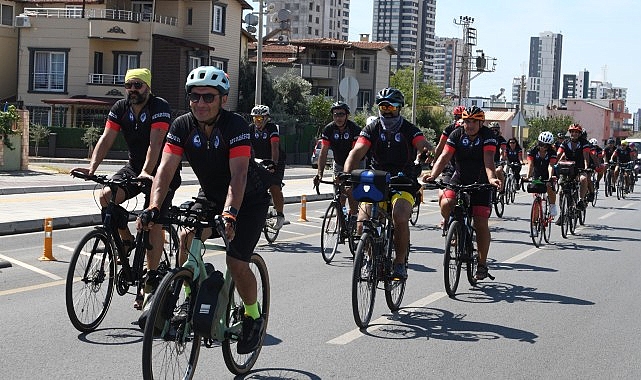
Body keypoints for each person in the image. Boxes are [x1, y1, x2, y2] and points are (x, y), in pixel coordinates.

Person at [137, 66, 269, 354]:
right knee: (186, 238)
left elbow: (239, 176)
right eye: (194, 97)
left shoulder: (235, 126)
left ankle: (253, 316)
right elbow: (165, 169)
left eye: (208, 97)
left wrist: (230, 214)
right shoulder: (182, 126)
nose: (200, 103)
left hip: (248, 201)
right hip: (210, 195)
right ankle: (189, 297)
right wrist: (154, 207)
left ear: (223, 99)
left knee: (236, 262)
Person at [72, 68, 180, 310]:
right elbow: (106, 138)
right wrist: (92, 169)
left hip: (162, 170)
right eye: (129, 85)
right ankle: (127, 239)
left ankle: (151, 279)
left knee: (152, 220)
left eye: (138, 85)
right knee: (106, 196)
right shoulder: (120, 108)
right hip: (134, 167)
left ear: (148, 88)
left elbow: (156, 143)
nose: (132, 90)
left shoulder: (159, 106)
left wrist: (147, 173)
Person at [343, 87, 431, 280]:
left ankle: (399, 263)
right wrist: (346, 174)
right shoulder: (372, 129)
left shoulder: (409, 129)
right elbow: (356, 152)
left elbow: (423, 144)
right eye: (383, 107)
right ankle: (369, 259)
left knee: (399, 216)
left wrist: (426, 151)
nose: (387, 111)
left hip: (403, 180)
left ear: (399, 108)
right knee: (361, 223)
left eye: (391, 107)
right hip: (377, 179)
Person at [424, 106, 501, 281]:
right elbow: (444, 157)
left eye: (474, 121)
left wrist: (491, 179)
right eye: (467, 121)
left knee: (481, 222)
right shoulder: (456, 134)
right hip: (459, 178)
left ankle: (481, 264)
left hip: (481, 181)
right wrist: (433, 175)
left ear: (481, 122)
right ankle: (456, 229)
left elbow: (488, 161)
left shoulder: (488, 136)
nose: (470, 124)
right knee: (446, 203)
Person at [313, 101, 362, 216]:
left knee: (350, 190)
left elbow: (354, 154)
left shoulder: (354, 129)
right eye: (335, 114)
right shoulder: (328, 130)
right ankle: (341, 221)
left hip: (356, 162)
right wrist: (320, 174)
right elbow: (323, 153)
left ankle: (354, 216)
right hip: (339, 162)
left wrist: (346, 174)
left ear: (347, 115)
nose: (338, 117)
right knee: (339, 194)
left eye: (341, 114)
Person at [249, 104, 286, 230]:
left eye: (259, 119)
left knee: (274, 186)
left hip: (276, 160)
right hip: (258, 160)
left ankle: (280, 215)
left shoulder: (272, 128)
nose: (257, 122)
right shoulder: (250, 129)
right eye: (255, 119)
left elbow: (274, 147)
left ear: (266, 119)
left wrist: (273, 164)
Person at [432, 105, 466, 226]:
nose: (460, 119)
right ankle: (447, 218)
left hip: (466, 171)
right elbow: (440, 147)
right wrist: (434, 163)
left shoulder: (473, 131)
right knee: (443, 195)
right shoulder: (449, 129)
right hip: (450, 168)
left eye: (462, 117)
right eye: (458, 117)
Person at [556, 123, 591, 210]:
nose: (574, 134)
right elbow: (558, 154)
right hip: (567, 169)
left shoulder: (584, 143)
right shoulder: (565, 142)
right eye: (572, 132)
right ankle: (562, 212)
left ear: (579, 134)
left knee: (583, 179)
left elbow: (586, 157)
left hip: (580, 168)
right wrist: (553, 164)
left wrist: (586, 167)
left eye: (576, 132)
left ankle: (581, 200)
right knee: (561, 191)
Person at [526, 131, 558, 221]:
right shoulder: (532, 151)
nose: (543, 147)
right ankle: (534, 224)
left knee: (549, 186)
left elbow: (550, 166)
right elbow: (530, 165)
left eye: (546, 145)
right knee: (536, 195)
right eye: (541, 144)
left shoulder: (552, 152)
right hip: (537, 175)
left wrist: (550, 177)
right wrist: (528, 177)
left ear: (549, 146)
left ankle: (552, 205)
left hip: (548, 174)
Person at [489, 122, 507, 193]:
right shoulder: (486, 138)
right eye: (492, 129)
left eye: (496, 129)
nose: (494, 131)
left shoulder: (501, 139)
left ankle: (501, 188)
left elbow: (502, 150)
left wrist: (502, 158)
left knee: (498, 171)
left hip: (497, 160)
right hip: (488, 161)